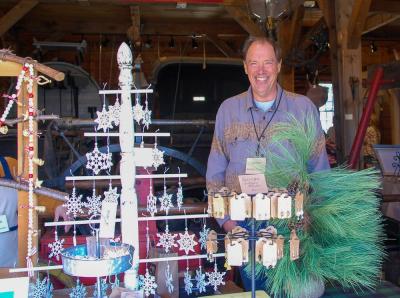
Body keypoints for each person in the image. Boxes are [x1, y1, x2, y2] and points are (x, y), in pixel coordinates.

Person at [206, 36, 330, 290]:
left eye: (268, 63)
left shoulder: (303, 109)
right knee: (257, 291)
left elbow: (320, 171)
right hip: (244, 225)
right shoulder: (228, 111)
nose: (261, 71)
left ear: (279, 65)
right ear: (245, 67)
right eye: (254, 63)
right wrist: (228, 223)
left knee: (299, 292)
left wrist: (315, 222)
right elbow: (215, 173)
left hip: (291, 225)